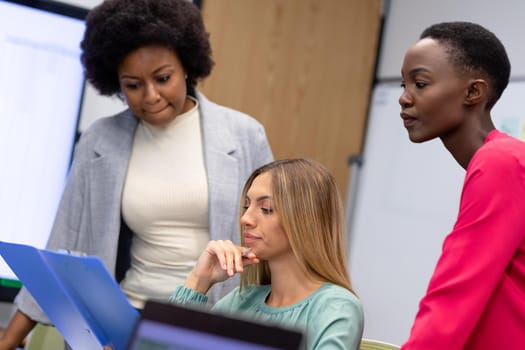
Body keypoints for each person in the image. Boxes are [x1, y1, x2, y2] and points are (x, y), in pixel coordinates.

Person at [0, 0, 273, 349]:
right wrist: (9, 340)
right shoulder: (101, 140)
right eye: (133, 85)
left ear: (187, 66)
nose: (151, 96)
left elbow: (275, 243)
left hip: (210, 324)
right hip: (122, 325)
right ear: (115, 83)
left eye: (163, 78)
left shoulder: (245, 135)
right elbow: (61, 246)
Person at [399, 21, 525, 349]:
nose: (404, 98)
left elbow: (455, 293)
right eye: (403, 84)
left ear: (473, 92)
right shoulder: (502, 159)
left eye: (420, 83)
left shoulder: (500, 162)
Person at [169, 158, 364, 350]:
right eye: (247, 206)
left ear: (305, 221)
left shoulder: (336, 308)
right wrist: (198, 281)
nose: (245, 218)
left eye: (265, 209)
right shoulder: (240, 300)